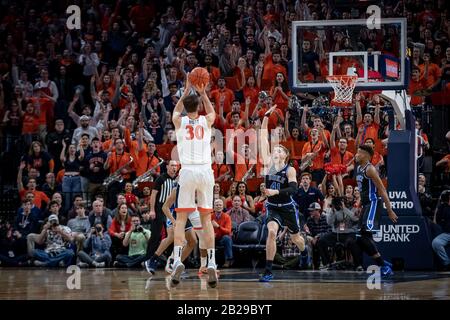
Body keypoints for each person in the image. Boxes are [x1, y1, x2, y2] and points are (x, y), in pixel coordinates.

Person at [170, 77, 218, 288]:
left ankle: (178, 260)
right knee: (206, 220)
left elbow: (177, 109)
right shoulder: (206, 120)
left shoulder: (179, 121)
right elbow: (211, 110)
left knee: (181, 219)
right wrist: (203, 92)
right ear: (198, 106)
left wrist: (187, 90)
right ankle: (212, 263)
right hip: (206, 172)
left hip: (188, 171)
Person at [259, 105, 307, 282]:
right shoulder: (268, 163)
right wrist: (265, 116)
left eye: (279, 149)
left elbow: (294, 190)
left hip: (287, 207)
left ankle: (304, 253)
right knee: (271, 233)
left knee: (297, 239)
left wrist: (274, 191)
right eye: (275, 149)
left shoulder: (290, 169)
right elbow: (262, 136)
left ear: (285, 156)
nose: (275, 150)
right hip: (272, 207)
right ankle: (268, 270)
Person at [354, 145, 398, 276]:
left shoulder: (370, 169)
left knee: (363, 236)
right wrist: (359, 205)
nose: (356, 155)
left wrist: (389, 210)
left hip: (373, 204)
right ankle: (382, 262)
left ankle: (383, 266)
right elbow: (363, 190)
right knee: (359, 238)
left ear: (367, 156)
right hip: (366, 204)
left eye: (359, 153)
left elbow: (382, 190)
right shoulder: (358, 168)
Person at [146, 186, 205, 274]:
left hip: (186, 215)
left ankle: (175, 264)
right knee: (172, 236)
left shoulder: (195, 188)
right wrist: (173, 221)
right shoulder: (177, 189)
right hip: (173, 213)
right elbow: (165, 207)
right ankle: (153, 259)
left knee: (192, 241)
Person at [211, 199, 234, 268]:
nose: (218, 206)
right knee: (205, 238)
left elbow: (228, 231)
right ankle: (206, 261)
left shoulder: (227, 217)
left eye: (220, 205)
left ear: (222, 206)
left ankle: (228, 259)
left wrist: (218, 227)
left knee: (227, 238)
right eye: (217, 205)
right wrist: (211, 234)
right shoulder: (210, 216)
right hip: (212, 238)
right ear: (214, 207)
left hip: (222, 238)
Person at [431, 190, 450, 270]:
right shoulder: (443, 207)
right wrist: (440, 202)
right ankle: (447, 263)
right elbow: (435, 221)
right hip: (447, 234)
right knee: (436, 243)